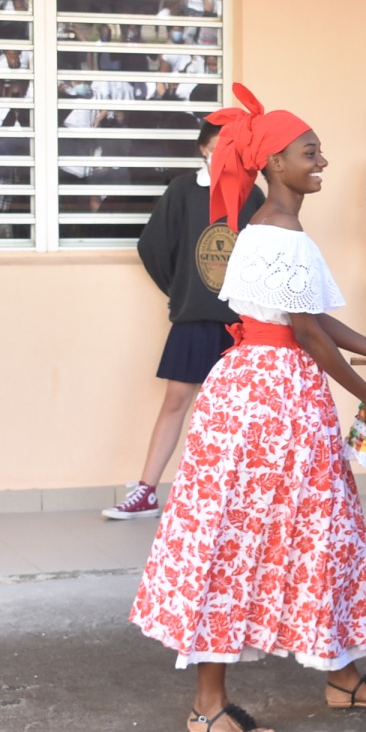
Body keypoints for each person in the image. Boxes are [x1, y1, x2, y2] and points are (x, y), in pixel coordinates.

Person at [130, 84, 366, 732]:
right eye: (309, 152)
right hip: (270, 402)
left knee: (318, 532)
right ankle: (208, 705)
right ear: (275, 164)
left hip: (266, 394)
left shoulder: (273, 229)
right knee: (242, 539)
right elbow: (306, 334)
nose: (322, 160)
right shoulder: (278, 232)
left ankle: (343, 676)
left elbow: (309, 318)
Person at [104, 123, 262, 520]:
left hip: (242, 324)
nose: (226, 155)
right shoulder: (183, 191)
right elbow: (152, 246)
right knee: (175, 402)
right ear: (203, 149)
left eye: (234, 148)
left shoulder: (252, 195)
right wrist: (180, 290)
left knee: (237, 414)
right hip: (194, 319)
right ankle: (146, 491)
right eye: (219, 146)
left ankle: (232, 497)